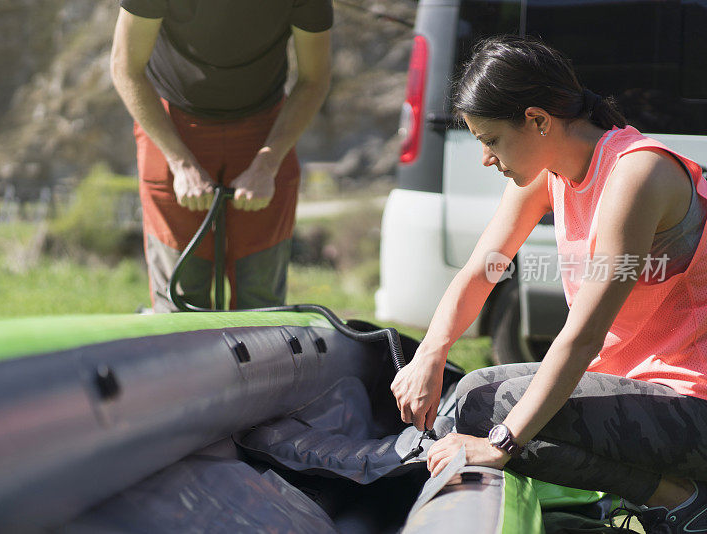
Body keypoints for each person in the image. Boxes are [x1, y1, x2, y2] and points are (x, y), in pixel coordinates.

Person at [390, 35, 707, 533]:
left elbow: (582, 338)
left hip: (694, 403)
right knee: (471, 395)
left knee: (503, 416)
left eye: (490, 140)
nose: (486, 159)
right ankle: (667, 492)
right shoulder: (549, 172)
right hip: (641, 388)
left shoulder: (637, 173)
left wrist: (500, 447)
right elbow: (482, 270)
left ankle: (680, 500)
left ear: (538, 120)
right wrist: (431, 350)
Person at [110, 0, 332, 311]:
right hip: (171, 126)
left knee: (261, 302)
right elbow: (125, 68)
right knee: (179, 303)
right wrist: (181, 163)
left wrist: (267, 163)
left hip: (265, 130)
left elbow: (314, 79)